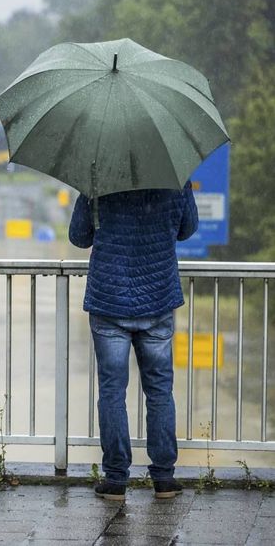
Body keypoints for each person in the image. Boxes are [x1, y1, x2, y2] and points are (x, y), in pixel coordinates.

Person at [69, 183, 198, 502]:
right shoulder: (174, 175)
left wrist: (90, 196)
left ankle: (115, 480)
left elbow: (79, 237)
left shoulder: (98, 176)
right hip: (158, 297)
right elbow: (187, 229)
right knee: (159, 390)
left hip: (109, 299)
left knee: (112, 391)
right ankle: (164, 478)